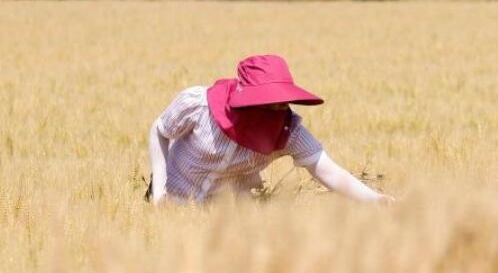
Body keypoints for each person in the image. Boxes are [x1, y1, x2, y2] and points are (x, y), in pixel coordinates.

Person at [148, 54, 390, 205]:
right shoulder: (198, 105)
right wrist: (159, 193)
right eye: (268, 102)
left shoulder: (289, 132)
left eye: (282, 102)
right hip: (169, 206)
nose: (277, 109)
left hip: (219, 221)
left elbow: (329, 172)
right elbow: (159, 131)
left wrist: (377, 201)